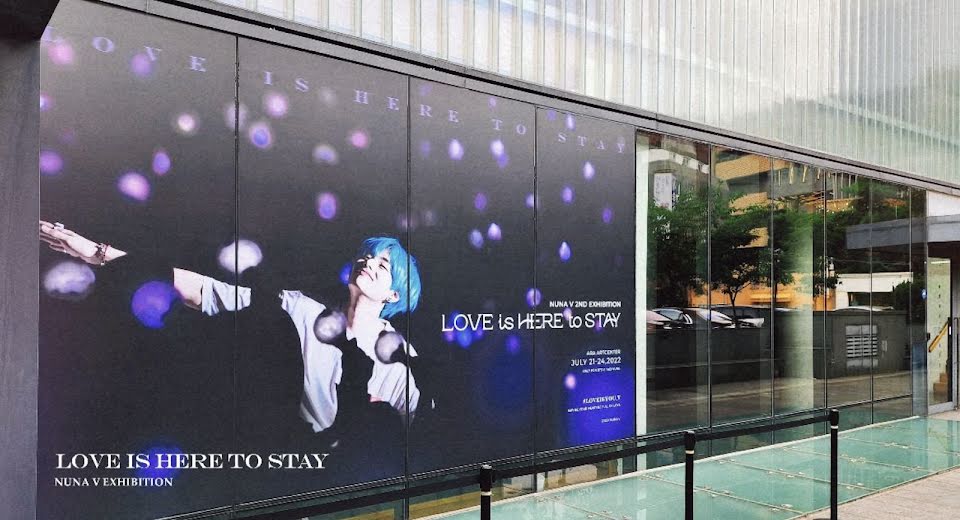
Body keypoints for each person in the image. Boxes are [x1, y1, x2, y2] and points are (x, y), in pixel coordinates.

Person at [39, 220, 423, 441]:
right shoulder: (301, 308)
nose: (368, 263)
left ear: (394, 294)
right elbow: (205, 291)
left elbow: (419, 431)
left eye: (383, 265)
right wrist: (97, 252)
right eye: (367, 256)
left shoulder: (399, 358)